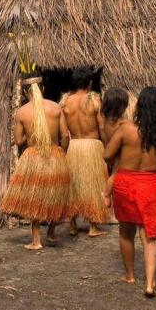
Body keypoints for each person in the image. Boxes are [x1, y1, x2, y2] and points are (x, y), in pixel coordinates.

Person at [103, 87, 156, 298]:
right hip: (150, 184)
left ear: (140, 107)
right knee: (150, 236)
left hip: (126, 182)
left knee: (126, 231)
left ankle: (130, 275)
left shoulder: (126, 130)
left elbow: (107, 154)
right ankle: (150, 283)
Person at [0, 74, 71, 250]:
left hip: (33, 156)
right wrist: (63, 151)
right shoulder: (55, 107)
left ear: (25, 92)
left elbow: (18, 140)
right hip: (55, 154)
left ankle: (36, 240)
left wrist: (28, 134)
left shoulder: (22, 112)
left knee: (34, 197)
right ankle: (52, 233)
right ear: (43, 89)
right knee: (54, 194)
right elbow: (64, 135)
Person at [61, 67, 107, 237]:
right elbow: (101, 126)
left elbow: (64, 132)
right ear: (89, 83)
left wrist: (64, 149)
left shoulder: (65, 102)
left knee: (74, 186)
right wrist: (106, 145)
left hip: (74, 147)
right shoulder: (94, 100)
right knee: (93, 185)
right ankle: (92, 226)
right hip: (92, 146)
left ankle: (72, 225)